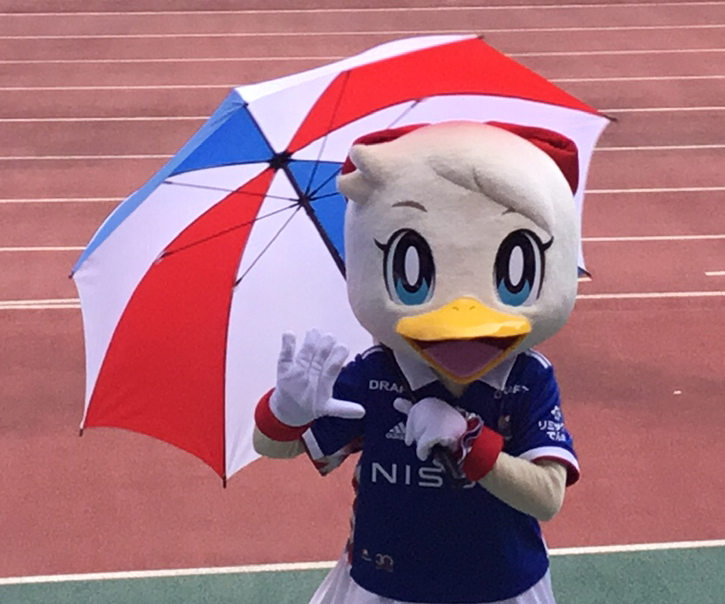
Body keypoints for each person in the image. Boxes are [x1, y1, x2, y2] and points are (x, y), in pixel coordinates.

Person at [254, 121, 583, 604]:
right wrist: (285, 411)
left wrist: (469, 443)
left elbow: (548, 496)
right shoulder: (376, 373)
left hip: (500, 588)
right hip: (385, 585)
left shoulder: (527, 377)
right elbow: (276, 448)